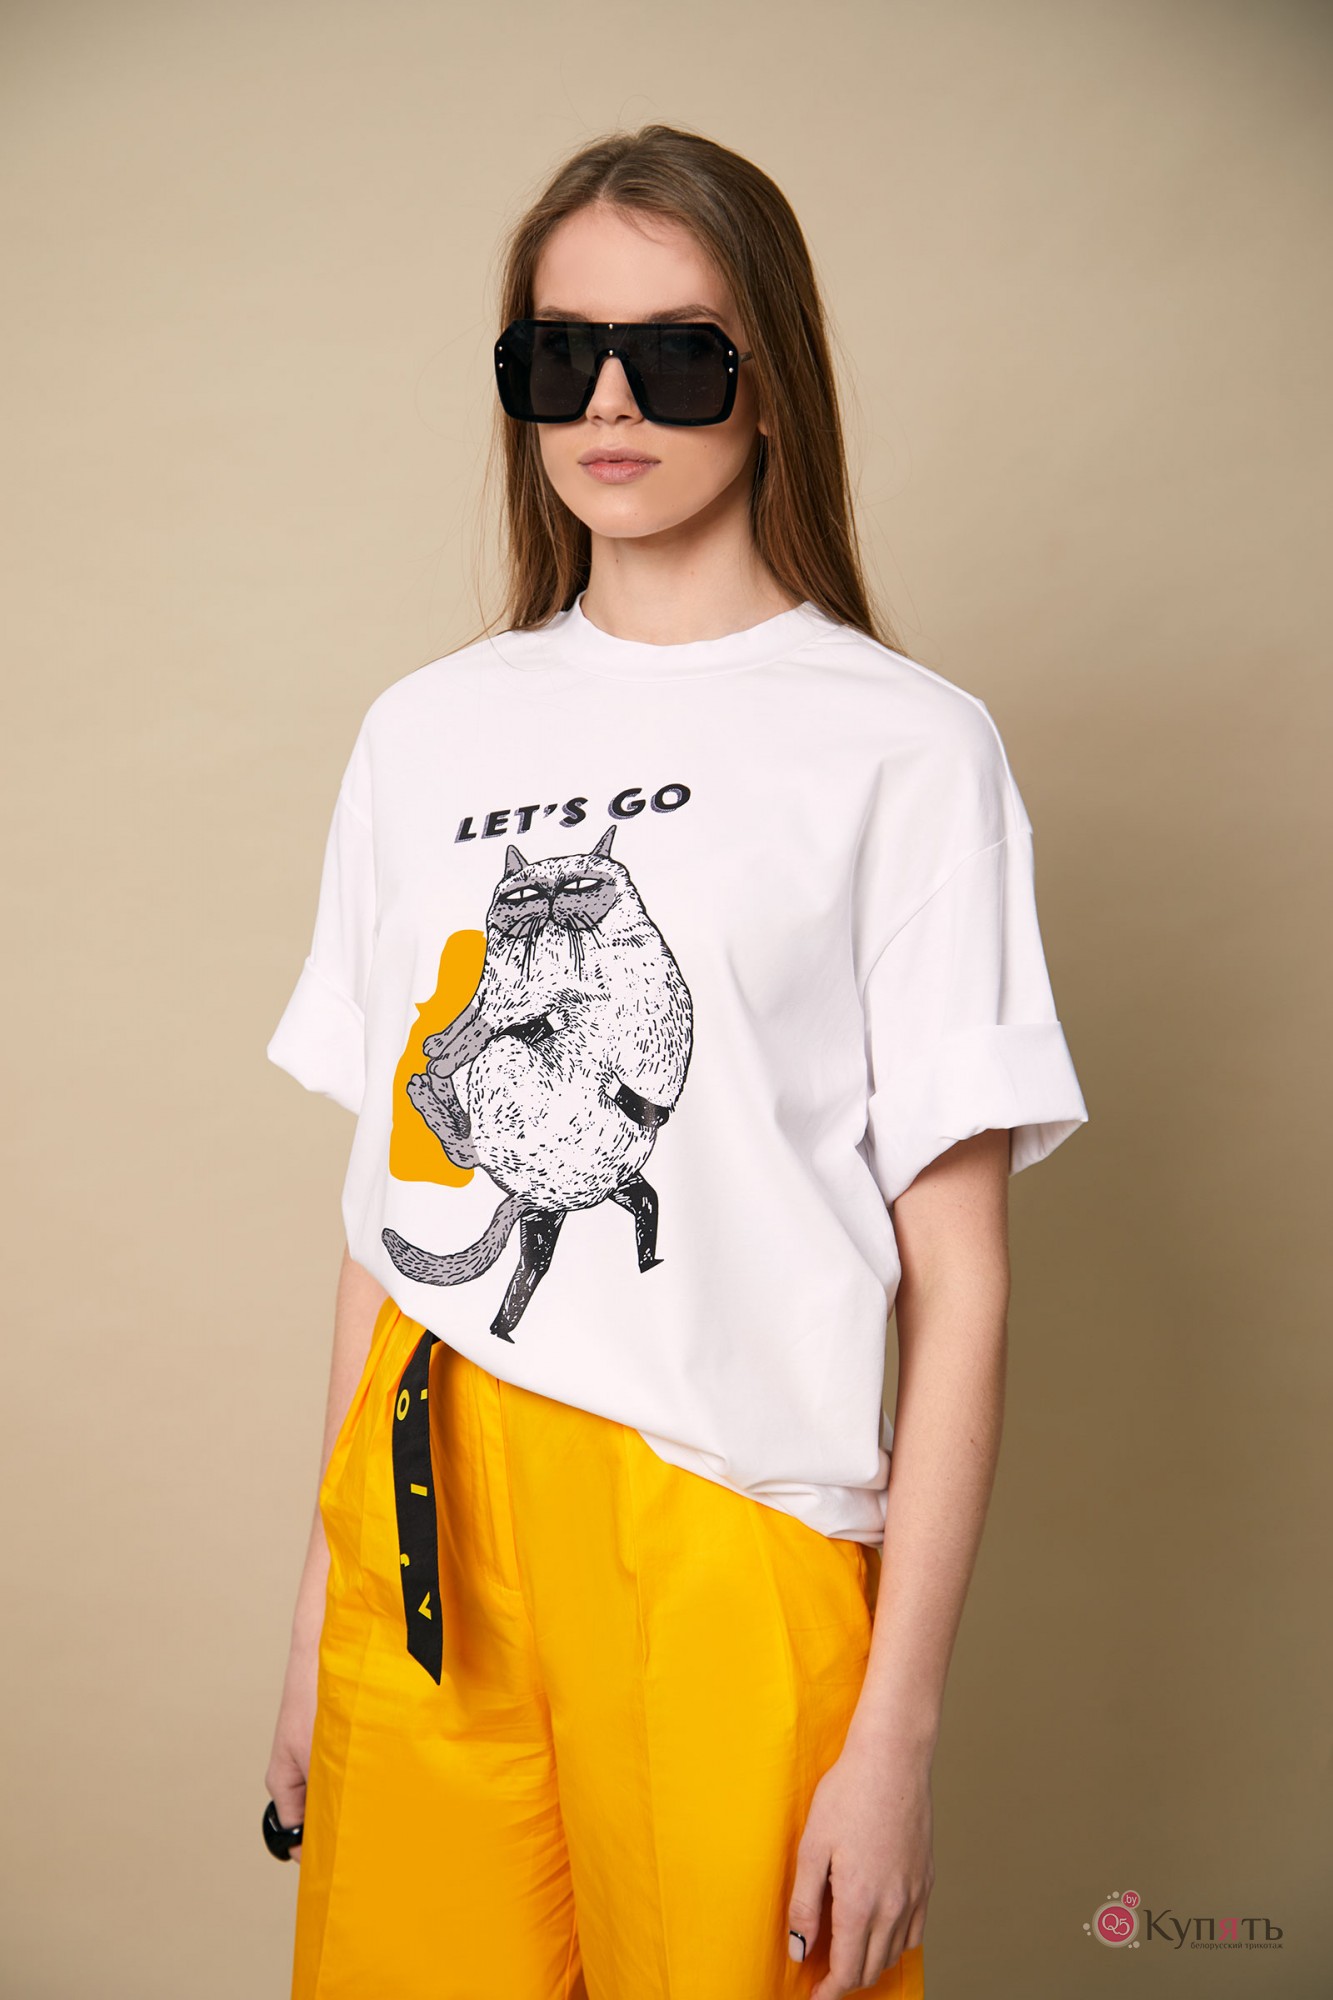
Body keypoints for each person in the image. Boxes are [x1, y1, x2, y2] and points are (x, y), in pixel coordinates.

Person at [262, 122, 1088, 2000]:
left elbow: (960, 1286)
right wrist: (319, 1602)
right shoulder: (424, 732)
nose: (611, 403)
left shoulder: (903, 746)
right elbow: (385, 1206)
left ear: (769, 379)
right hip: (426, 1508)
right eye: (560, 356)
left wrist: (893, 1736)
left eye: (677, 356)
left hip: (729, 1517)